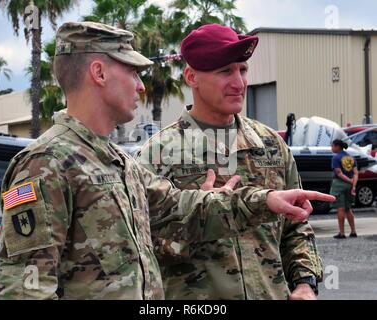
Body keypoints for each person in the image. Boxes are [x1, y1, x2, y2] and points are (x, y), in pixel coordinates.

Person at [0, 21, 334, 300]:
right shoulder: (44, 163)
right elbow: (25, 291)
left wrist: (267, 200)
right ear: (98, 73)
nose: (141, 87)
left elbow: (181, 206)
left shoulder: (117, 163)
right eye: (132, 72)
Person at [138, 23, 330, 300]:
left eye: (243, 70)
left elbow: (296, 226)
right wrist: (199, 212)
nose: (239, 83)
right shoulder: (157, 155)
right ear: (192, 77)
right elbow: (143, 247)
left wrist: (304, 283)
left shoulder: (270, 146)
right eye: (225, 71)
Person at [330, 139, 358, 239]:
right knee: (348, 208)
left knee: (340, 208)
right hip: (349, 186)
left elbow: (339, 173)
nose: (331, 148)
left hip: (339, 185)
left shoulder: (336, 158)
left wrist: (349, 181)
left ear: (337, 146)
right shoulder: (351, 157)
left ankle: (342, 233)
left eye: (332, 146)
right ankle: (353, 231)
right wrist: (353, 184)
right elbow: (355, 173)